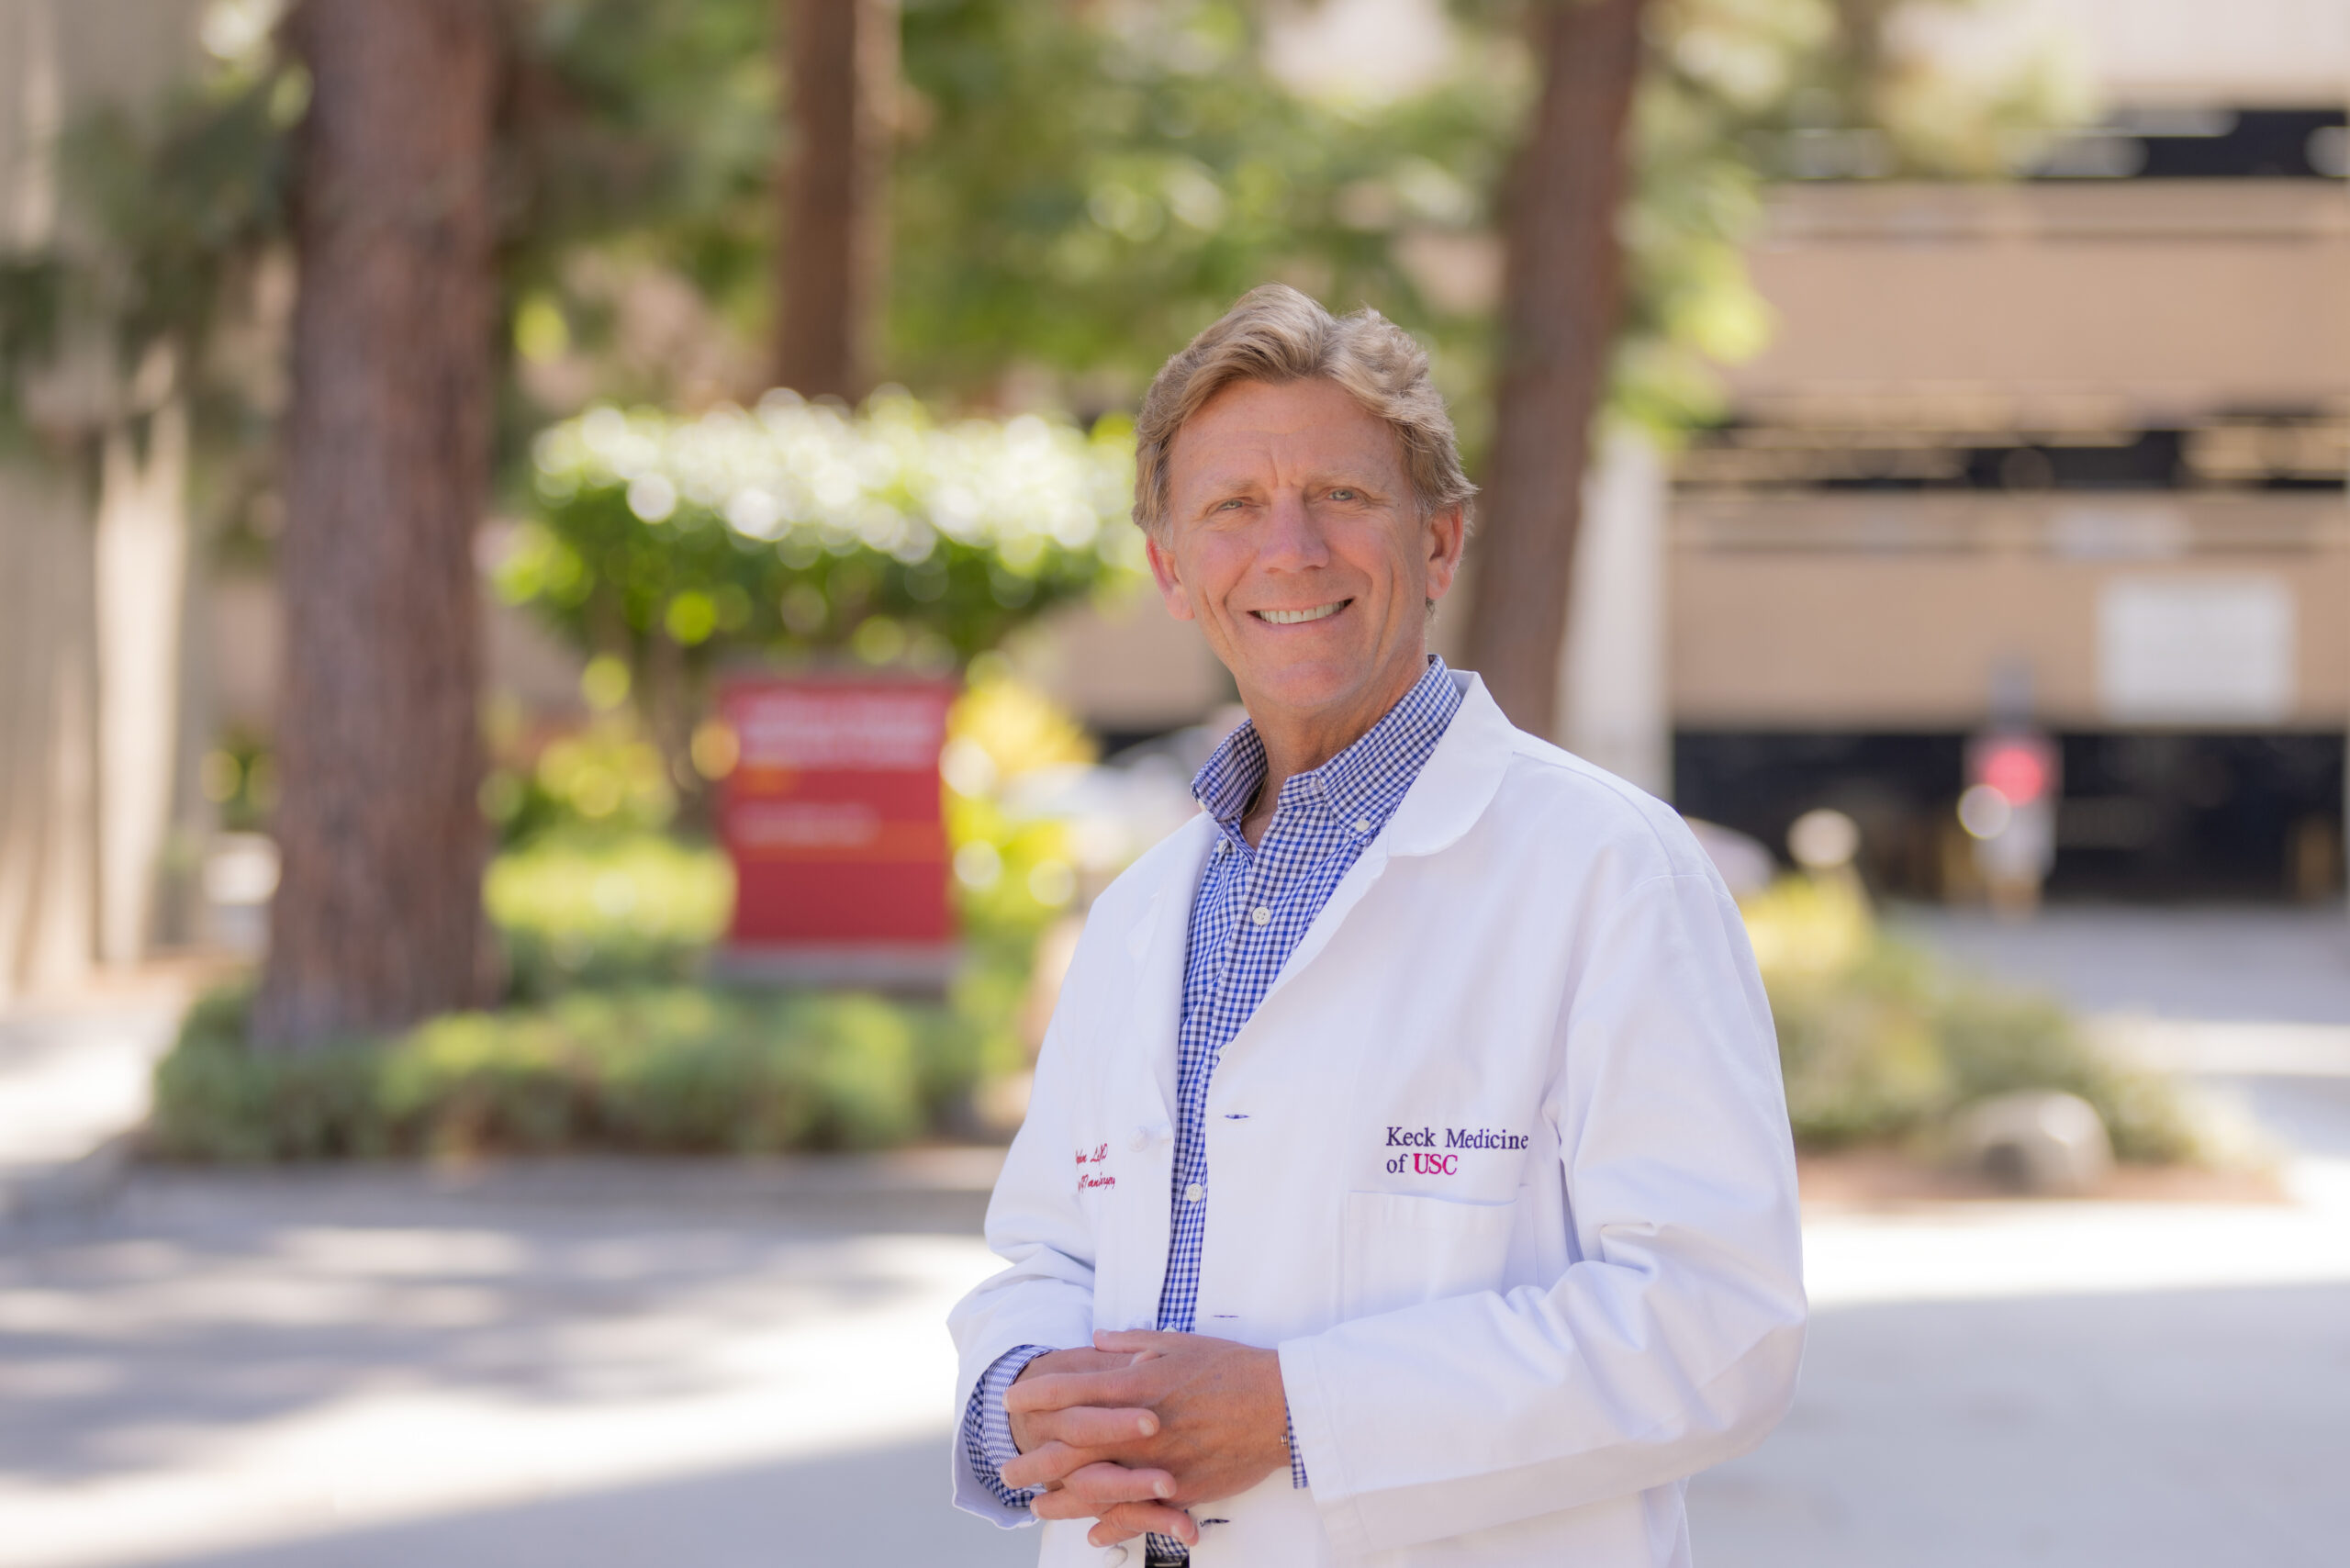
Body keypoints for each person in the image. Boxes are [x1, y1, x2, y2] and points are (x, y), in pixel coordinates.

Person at [947, 284, 1805, 1567]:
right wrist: (1014, 1393)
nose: (1288, 550)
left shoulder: (1613, 874)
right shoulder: (1141, 912)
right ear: (1173, 571)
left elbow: (1711, 1325)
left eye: (1341, 498)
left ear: (1440, 544)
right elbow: (1048, 1242)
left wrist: (1298, 1417)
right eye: (1233, 508)